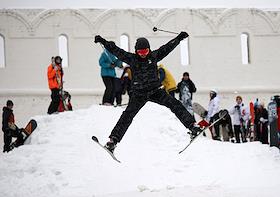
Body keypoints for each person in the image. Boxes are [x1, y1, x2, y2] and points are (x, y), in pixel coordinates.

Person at [94, 32, 203, 153]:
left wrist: (178, 39)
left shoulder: (154, 56)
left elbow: (166, 48)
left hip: (155, 91)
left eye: (145, 51)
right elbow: (116, 50)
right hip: (139, 94)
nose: (143, 55)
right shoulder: (131, 59)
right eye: (140, 52)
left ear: (149, 50)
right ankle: (113, 141)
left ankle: (193, 127)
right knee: (127, 115)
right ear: (136, 51)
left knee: (174, 103)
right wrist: (102, 41)